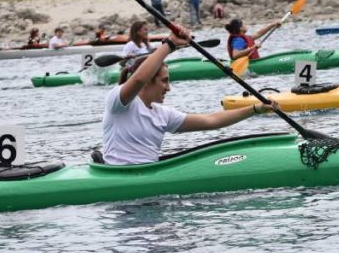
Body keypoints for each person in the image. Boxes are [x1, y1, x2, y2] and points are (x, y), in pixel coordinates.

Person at [101, 25, 279, 165]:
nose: (168, 88)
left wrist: (256, 109)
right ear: (149, 81)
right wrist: (169, 45)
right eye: (164, 80)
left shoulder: (161, 114)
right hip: (119, 178)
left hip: (146, 174)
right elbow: (138, 79)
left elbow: (212, 120)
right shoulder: (118, 102)